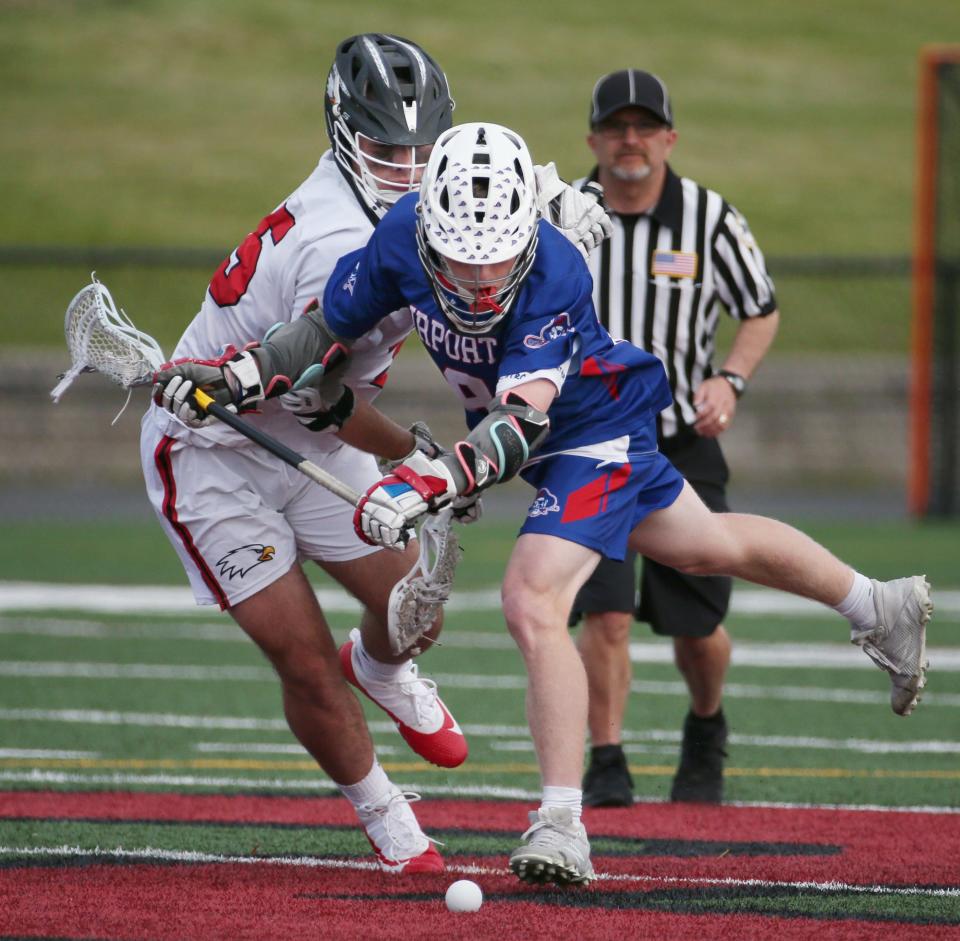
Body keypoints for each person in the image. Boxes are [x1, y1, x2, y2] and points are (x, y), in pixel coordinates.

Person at [155, 121, 931, 888]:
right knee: (705, 542)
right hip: (563, 433)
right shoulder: (402, 235)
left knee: (532, 595)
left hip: (587, 427)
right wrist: (241, 375)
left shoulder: (554, 271)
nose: (482, 282)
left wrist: (427, 480)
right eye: (462, 260)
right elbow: (324, 330)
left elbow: (520, 423)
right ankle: (876, 604)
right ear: (428, 230)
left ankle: (563, 821)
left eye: (498, 261)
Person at [145, 38, 611, 875]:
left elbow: (502, 210)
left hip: (315, 426)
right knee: (303, 655)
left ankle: (384, 666)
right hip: (224, 443)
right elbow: (315, 384)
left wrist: (551, 217)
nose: (409, 168)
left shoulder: (433, 205)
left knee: (415, 601)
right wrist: (424, 461)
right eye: (388, 151)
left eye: (422, 150)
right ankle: (391, 822)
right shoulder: (339, 241)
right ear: (343, 136)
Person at [568, 69, 781, 807]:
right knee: (607, 611)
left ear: (669, 137)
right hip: (590, 442)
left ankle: (705, 723)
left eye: (644, 126)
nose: (630, 140)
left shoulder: (709, 218)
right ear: (592, 137)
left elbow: (759, 308)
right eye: (616, 127)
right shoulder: (563, 216)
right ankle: (606, 758)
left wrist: (731, 379)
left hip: (681, 442)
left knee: (699, 626)